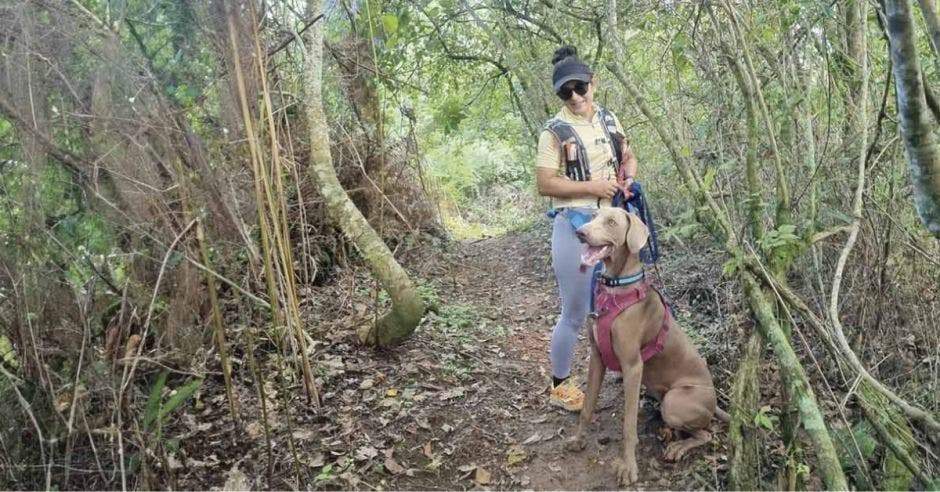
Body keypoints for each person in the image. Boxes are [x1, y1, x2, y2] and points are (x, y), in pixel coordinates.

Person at [536, 46, 639, 411]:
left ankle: (613, 368)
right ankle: (560, 384)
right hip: (576, 226)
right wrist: (593, 188)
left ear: (593, 84)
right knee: (576, 310)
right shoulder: (554, 131)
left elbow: (627, 156)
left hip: (612, 225)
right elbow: (546, 183)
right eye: (567, 92)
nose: (576, 97)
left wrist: (627, 179)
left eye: (580, 87)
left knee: (616, 303)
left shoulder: (610, 120)